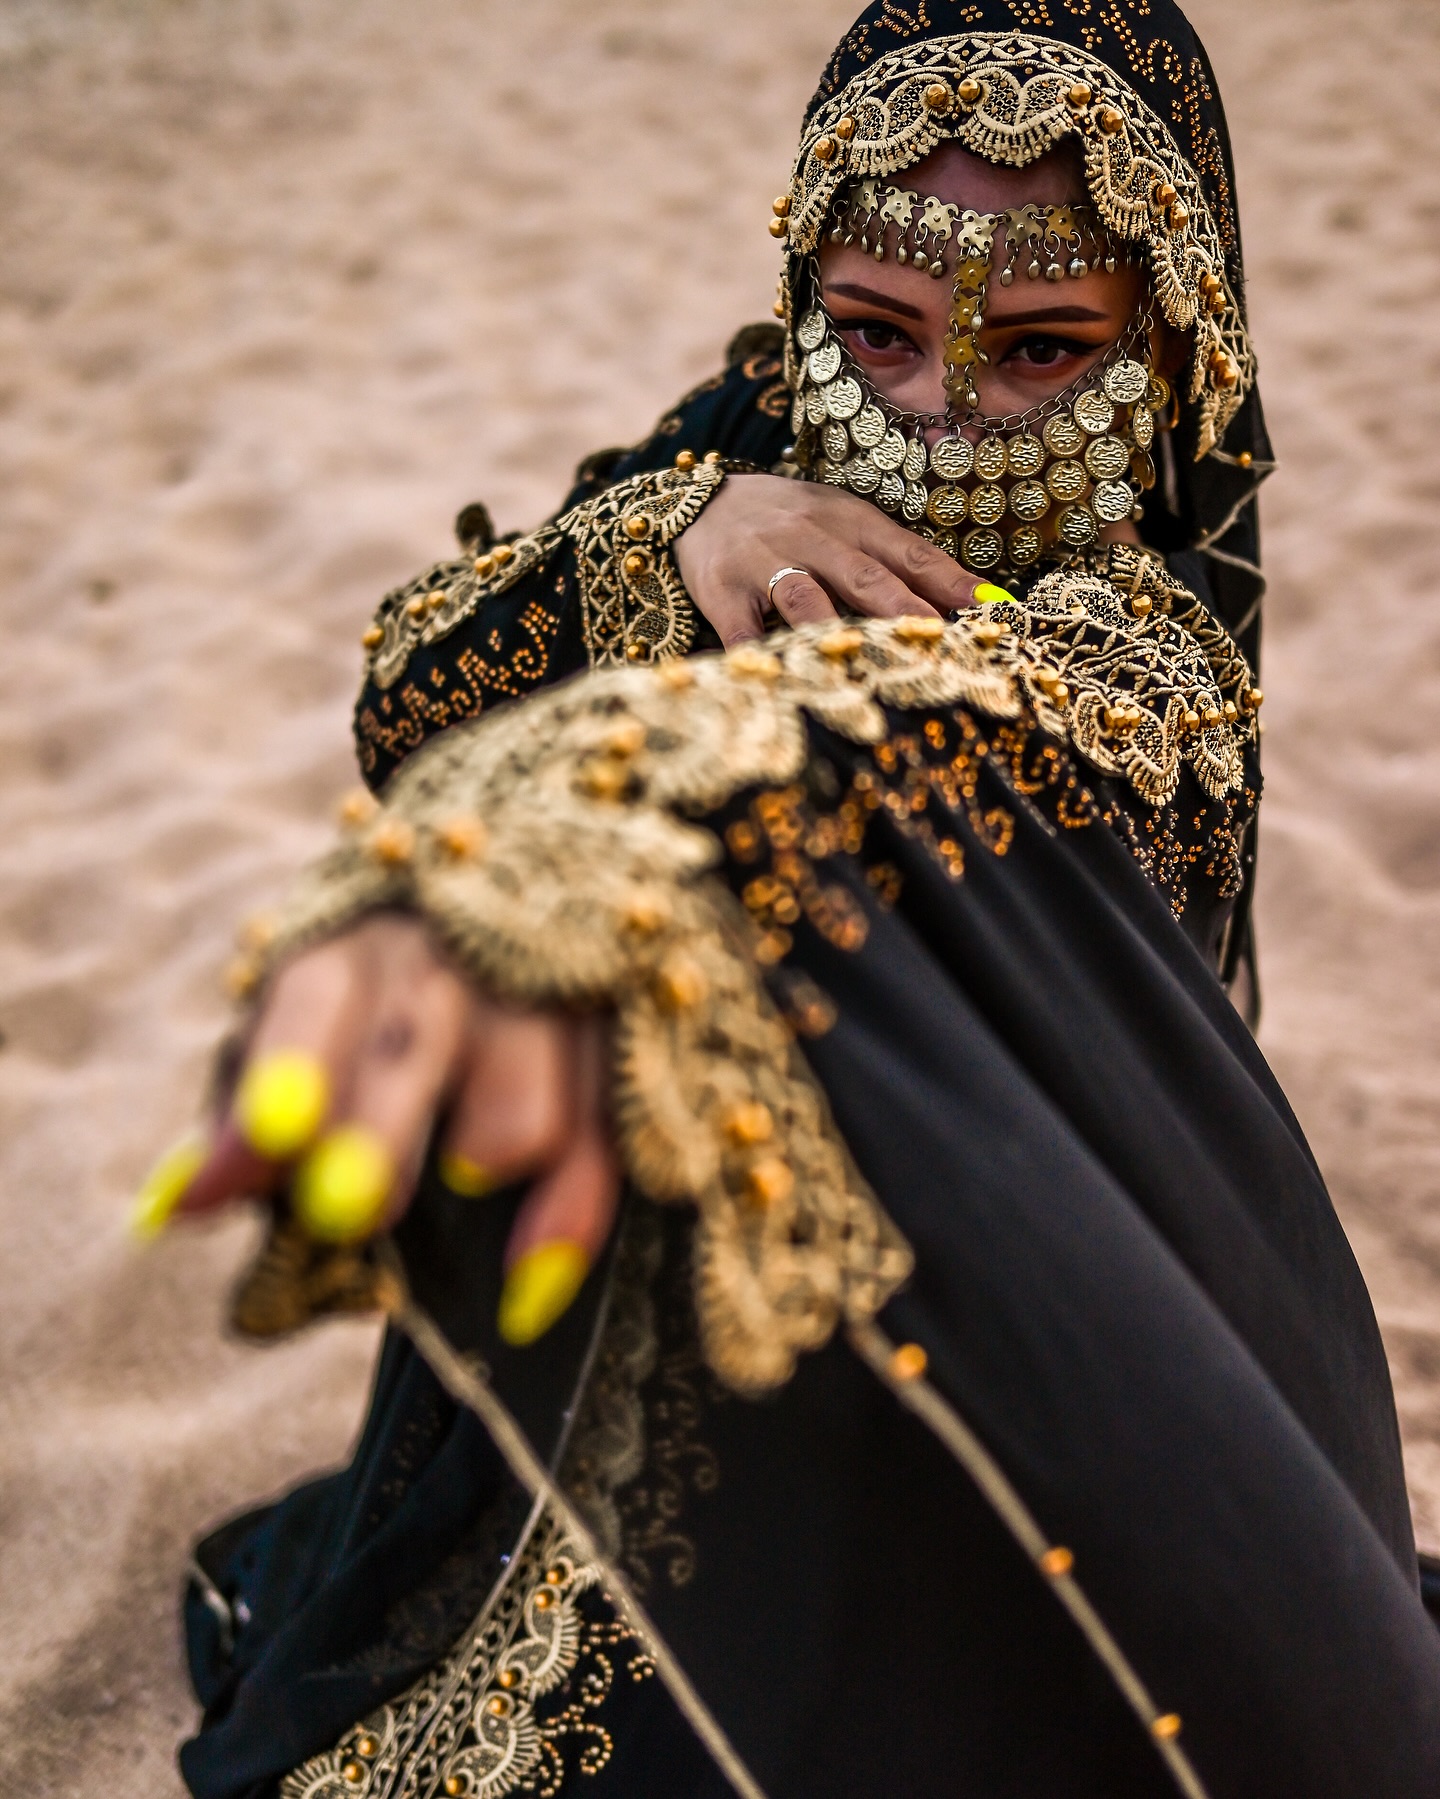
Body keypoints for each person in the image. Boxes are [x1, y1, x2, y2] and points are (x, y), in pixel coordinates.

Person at [140, 4, 1440, 1795]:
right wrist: (668, 539)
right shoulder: (759, 441)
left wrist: (603, 794)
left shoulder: (1143, 645)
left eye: (1050, 348)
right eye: (877, 331)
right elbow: (404, 700)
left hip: (1036, 1299)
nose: (940, 414)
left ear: (1173, 339)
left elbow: (889, 737)